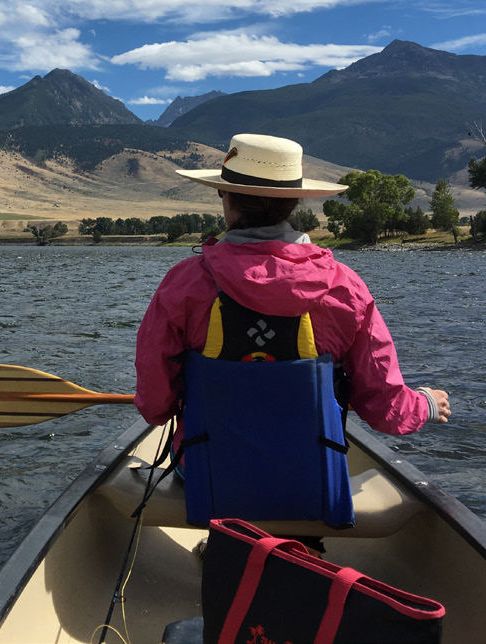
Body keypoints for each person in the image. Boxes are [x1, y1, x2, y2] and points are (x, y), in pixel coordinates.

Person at [134, 133, 451, 466]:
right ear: (294, 203)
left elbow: (155, 407)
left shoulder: (183, 283)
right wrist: (424, 404)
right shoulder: (345, 287)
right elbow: (385, 408)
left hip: (206, 473)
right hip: (309, 476)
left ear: (226, 198)